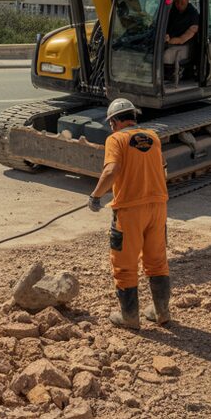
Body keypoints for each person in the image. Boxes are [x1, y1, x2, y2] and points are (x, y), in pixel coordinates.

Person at [88, 98, 171, 329]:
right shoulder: (153, 137)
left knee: (124, 263)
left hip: (130, 210)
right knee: (157, 260)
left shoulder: (116, 139)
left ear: (114, 121)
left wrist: (95, 196)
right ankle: (162, 312)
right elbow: (163, 168)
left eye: (111, 124)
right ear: (133, 117)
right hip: (158, 207)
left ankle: (130, 317)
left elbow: (112, 170)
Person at [163, 0, 200, 85]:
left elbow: (182, 39)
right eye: (176, 0)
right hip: (167, 44)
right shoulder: (172, 11)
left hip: (180, 49)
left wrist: (168, 41)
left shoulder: (193, 15)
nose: (178, 3)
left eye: (181, 0)